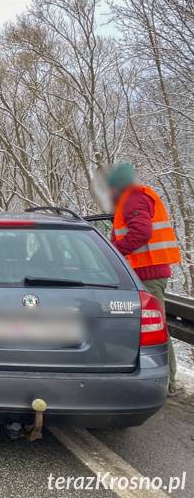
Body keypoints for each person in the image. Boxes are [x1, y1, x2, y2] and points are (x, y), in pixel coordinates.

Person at [106, 162, 181, 393]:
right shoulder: (137, 198)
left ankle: (167, 382)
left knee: (155, 328)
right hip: (146, 273)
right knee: (151, 326)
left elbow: (142, 231)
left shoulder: (133, 199)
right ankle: (163, 378)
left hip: (147, 274)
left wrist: (113, 252)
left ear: (119, 186)